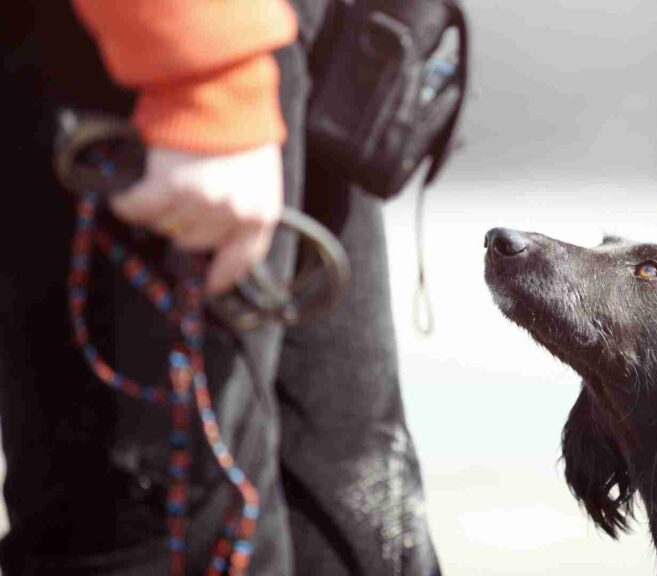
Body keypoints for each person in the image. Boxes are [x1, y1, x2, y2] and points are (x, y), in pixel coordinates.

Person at [0, 1, 440, 574]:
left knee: (359, 516)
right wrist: (202, 79)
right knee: (176, 538)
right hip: (158, 66)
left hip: (296, 45)